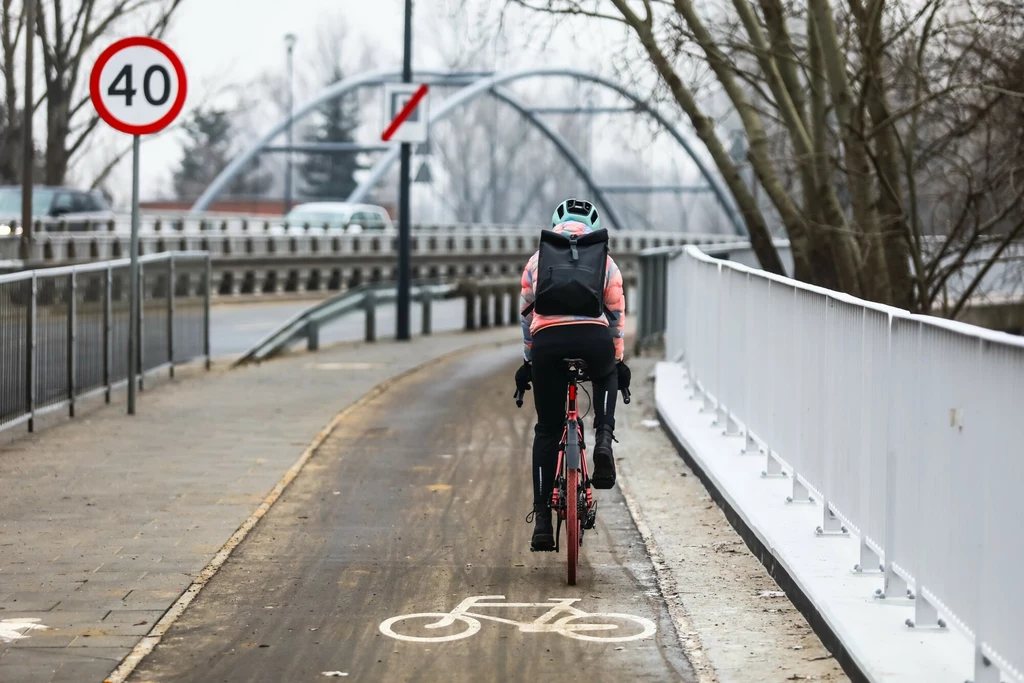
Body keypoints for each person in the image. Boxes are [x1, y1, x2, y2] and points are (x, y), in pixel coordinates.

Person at [514, 198, 631, 552]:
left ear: (556, 225)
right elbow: (615, 316)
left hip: (548, 344)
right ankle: (605, 442)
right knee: (606, 372)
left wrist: (530, 357)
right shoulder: (605, 261)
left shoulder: (538, 260)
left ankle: (543, 524)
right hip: (592, 340)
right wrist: (616, 359)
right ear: (593, 228)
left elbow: (526, 314)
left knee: (547, 429)